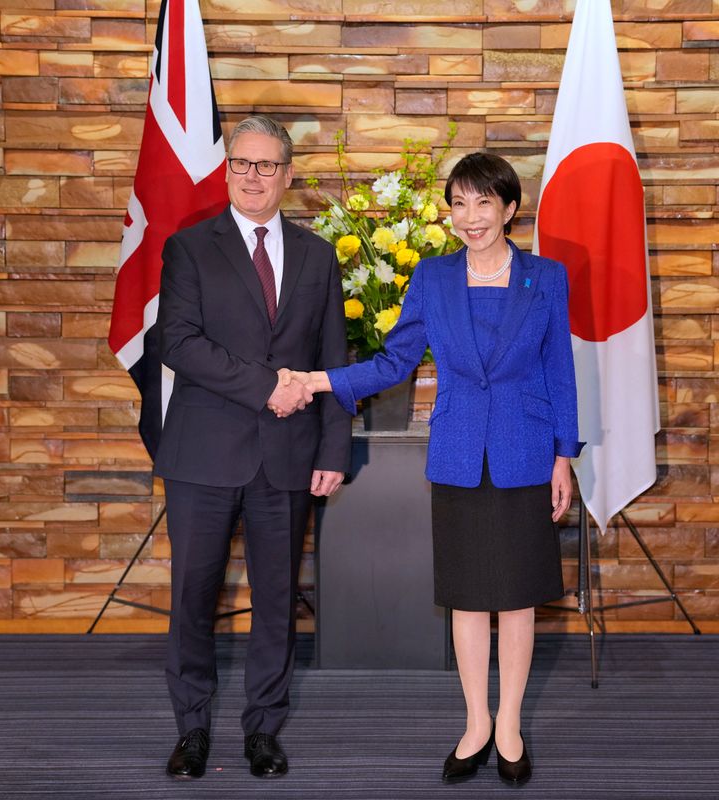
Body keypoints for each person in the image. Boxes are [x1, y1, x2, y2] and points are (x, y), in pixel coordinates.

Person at [292, 152, 580, 786]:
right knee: (468, 598)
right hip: (458, 455)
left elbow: (559, 370)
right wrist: (319, 381)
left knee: (519, 599)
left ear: (510, 209)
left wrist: (565, 457)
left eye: (484, 203)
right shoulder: (432, 276)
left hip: (527, 452)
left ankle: (510, 726)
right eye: (459, 204)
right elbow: (395, 362)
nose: (470, 217)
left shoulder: (547, 277)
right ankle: (476, 722)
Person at [153, 115, 351, 780]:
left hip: (288, 457)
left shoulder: (318, 256)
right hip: (203, 455)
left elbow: (332, 358)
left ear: (287, 175)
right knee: (193, 597)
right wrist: (268, 388)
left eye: (267, 165)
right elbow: (178, 343)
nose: (253, 176)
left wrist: (334, 449)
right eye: (242, 163)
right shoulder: (189, 248)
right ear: (227, 169)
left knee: (276, 601)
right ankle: (192, 729)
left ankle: (264, 729)